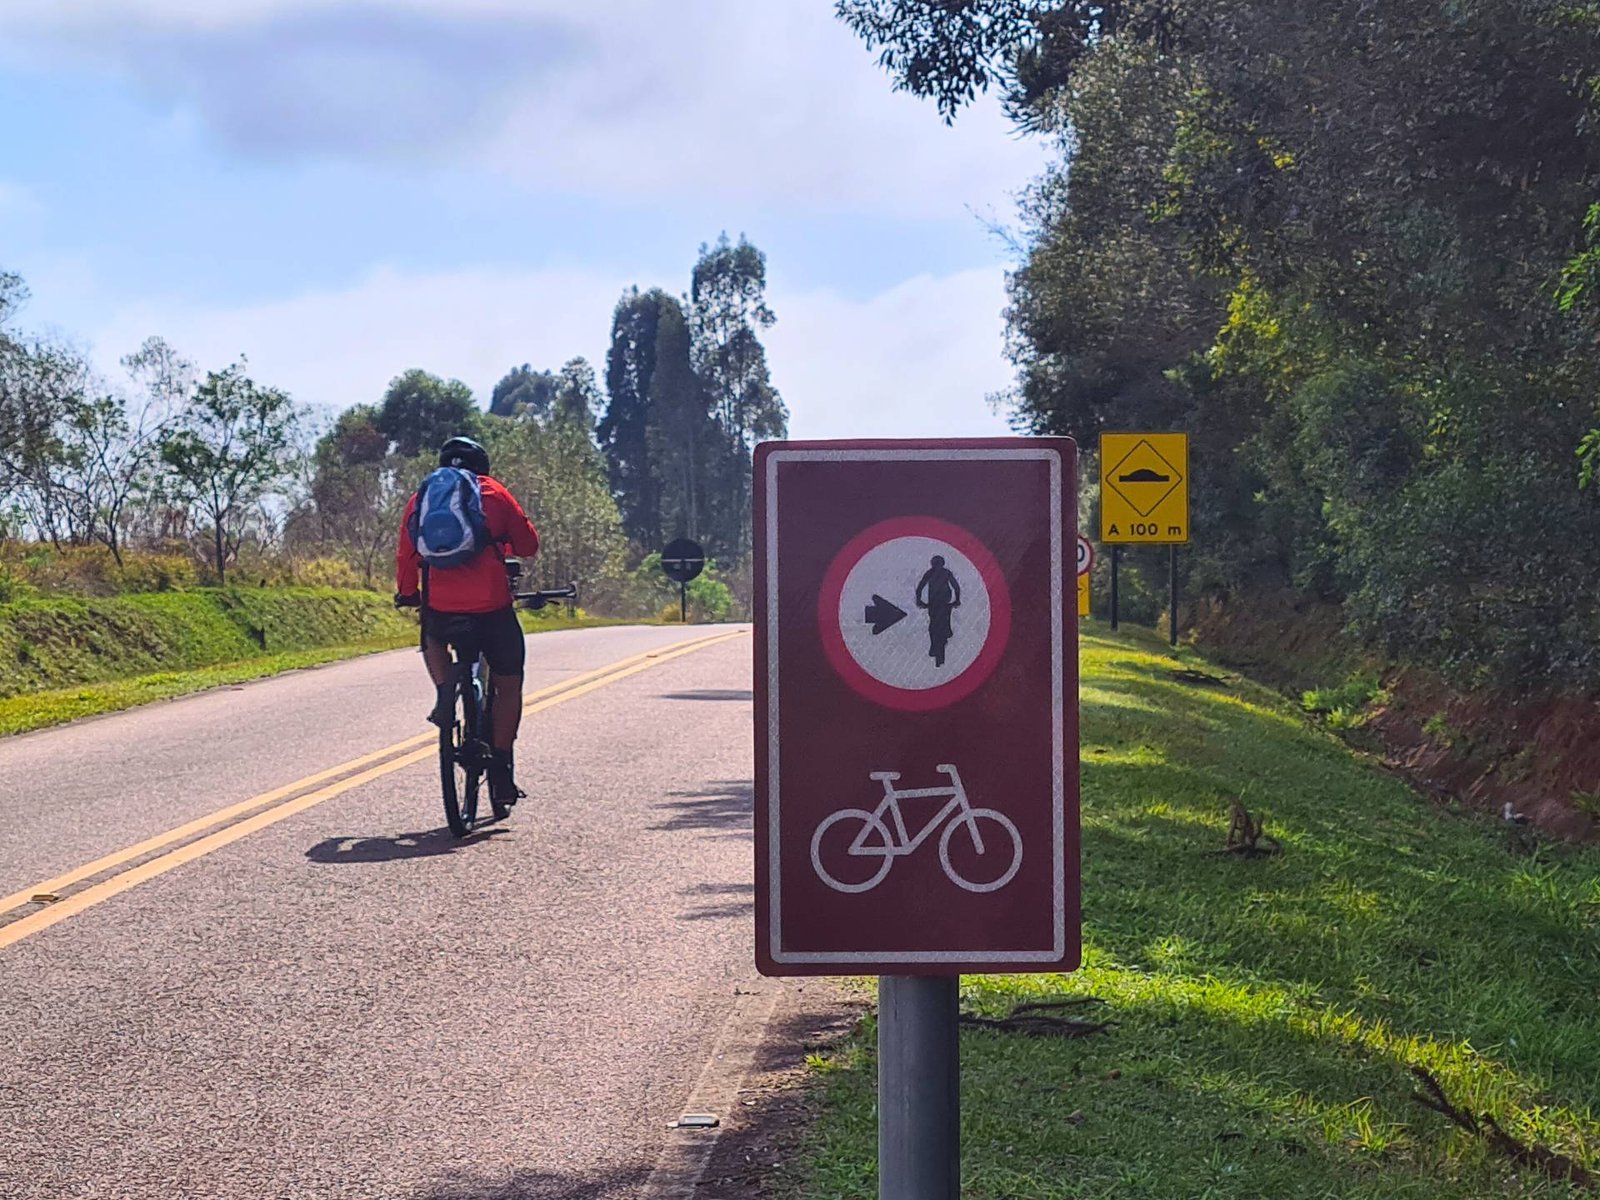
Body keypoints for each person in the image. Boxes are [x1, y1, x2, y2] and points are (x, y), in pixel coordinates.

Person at [395, 435, 540, 805]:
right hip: (491, 608)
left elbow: (407, 554)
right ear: (482, 466)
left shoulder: (423, 498)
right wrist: (499, 540)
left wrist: (409, 592)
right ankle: (502, 771)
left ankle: (446, 691)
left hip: (442, 607)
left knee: (431, 639)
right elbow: (528, 546)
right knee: (508, 684)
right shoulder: (494, 493)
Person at [915, 554, 962, 668]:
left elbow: (920, 587)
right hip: (938, 603)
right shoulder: (940, 572)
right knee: (935, 622)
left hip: (938, 603)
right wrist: (957, 600)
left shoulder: (934, 572)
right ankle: (938, 640)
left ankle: (942, 637)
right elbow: (955, 587)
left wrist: (919, 600)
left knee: (935, 623)